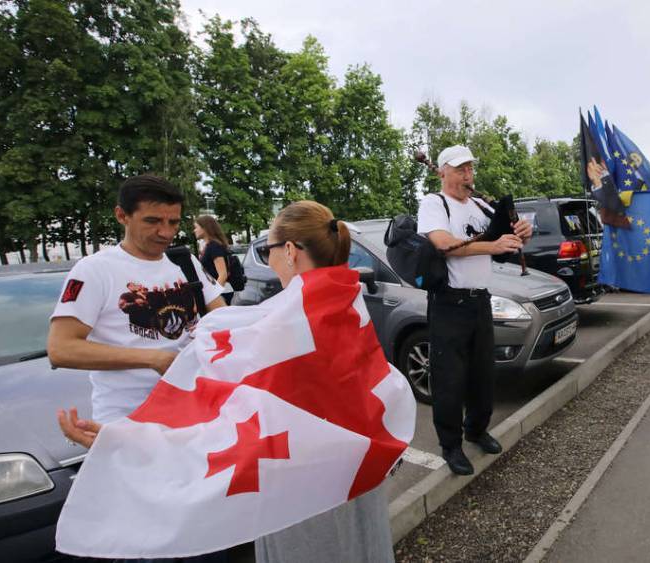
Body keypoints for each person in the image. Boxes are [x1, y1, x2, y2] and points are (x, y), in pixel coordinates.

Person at [49, 174, 227, 562]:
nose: (165, 232)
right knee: (149, 545)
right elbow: (61, 349)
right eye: (152, 221)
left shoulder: (185, 262)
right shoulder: (95, 270)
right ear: (121, 216)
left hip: (193, 428)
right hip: (132, 431)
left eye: (174, 222)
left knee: (202, 539)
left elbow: (225, 323)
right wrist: (153, 358)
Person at [252, 200, 396, 563]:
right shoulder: (348, 301)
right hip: (354, 471)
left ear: (289, 251)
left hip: (304, 489)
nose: (268, 260)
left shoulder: (285, 321)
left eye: (267, 249)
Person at [417, 145, 532, 475]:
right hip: (448, 305)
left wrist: (521, 232)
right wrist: (492, 245)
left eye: (470, 169)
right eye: (459, 169)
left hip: (480, 302)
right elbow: (442, 243)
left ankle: (477, 430)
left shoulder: (480, 205)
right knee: (450, 379)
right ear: (442, 172)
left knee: (483, 374)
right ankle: (450, 445)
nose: (467, 175)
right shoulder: (434, 203)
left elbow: (504, 240)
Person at [194, 214, 235, 304]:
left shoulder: (214, 246)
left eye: (196, 227)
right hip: (220, 291)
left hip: (222, 293)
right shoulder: (210, 246)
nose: (194, 230)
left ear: (205, 228)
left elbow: (223, 274)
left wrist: (214, 294)